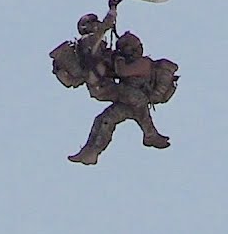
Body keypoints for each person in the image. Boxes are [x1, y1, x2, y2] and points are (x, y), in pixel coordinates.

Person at [68, 31, 178, 165]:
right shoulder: (129, 62)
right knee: (104, 120)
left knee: (134, 99)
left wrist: (118, 59)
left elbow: (122, 72)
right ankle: (90, 152)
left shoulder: (144, 63)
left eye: (125, 48)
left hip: (136, 99)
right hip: (130, 102)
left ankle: (151, 134)